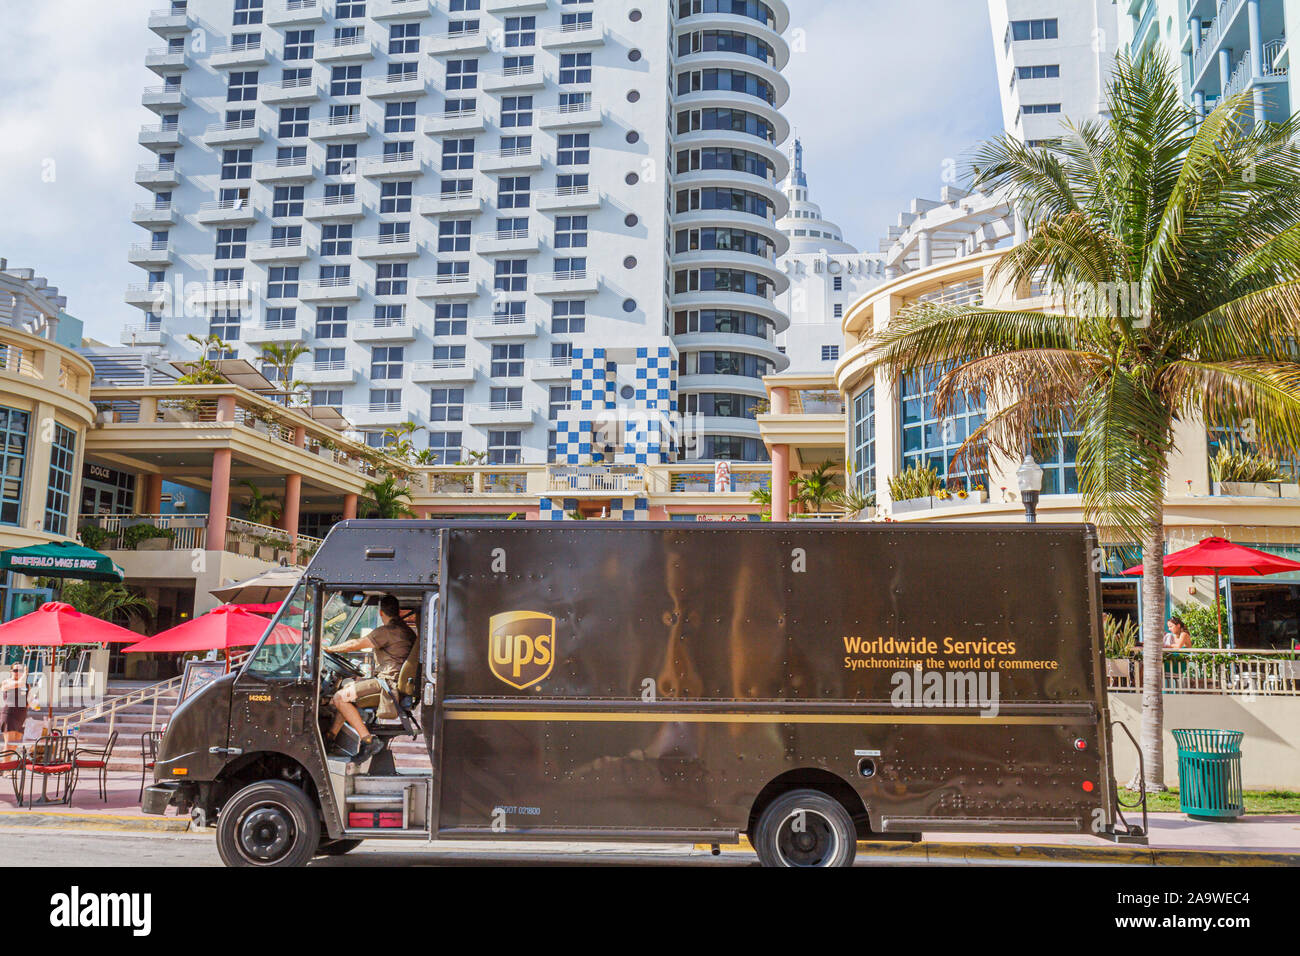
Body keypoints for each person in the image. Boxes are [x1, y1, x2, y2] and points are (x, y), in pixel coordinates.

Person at [324, 595, 414, 761]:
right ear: (399, 611)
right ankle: (330, 739)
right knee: (347, 698)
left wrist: (330, 649)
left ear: (381, 613)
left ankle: (368, 740)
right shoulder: (405, 630)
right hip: (392, 682)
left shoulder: (388, 631)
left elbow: (355, 644)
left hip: (386, 684)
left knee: (339, 697)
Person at [0, 664, 29, 751]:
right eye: (15, 670)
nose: (17, 673)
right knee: (9, 745)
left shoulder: (26, 685)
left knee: (15, 745)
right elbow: (20, 683)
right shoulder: (7, 682)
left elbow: (28, 701)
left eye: (20, 671)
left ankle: (10, 764)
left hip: (21, 716)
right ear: (11, 671)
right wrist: (25, 673)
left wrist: (33, 702)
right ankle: (4, 764)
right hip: (9, 715)